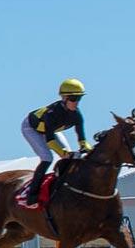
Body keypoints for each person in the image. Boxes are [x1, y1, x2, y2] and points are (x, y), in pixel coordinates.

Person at [20, 78, 91, 208]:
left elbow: (82, 140)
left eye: (79, 98)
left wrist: (88, 150)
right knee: (47, 158)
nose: (76, 102)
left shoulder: (77, 114)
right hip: (32, 129)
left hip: (52, 131)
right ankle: (31, 195)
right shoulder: (52, 114)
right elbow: (50, 141)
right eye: (73, 98)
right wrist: (64, 153)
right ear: (64, 98)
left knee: (69, 158)